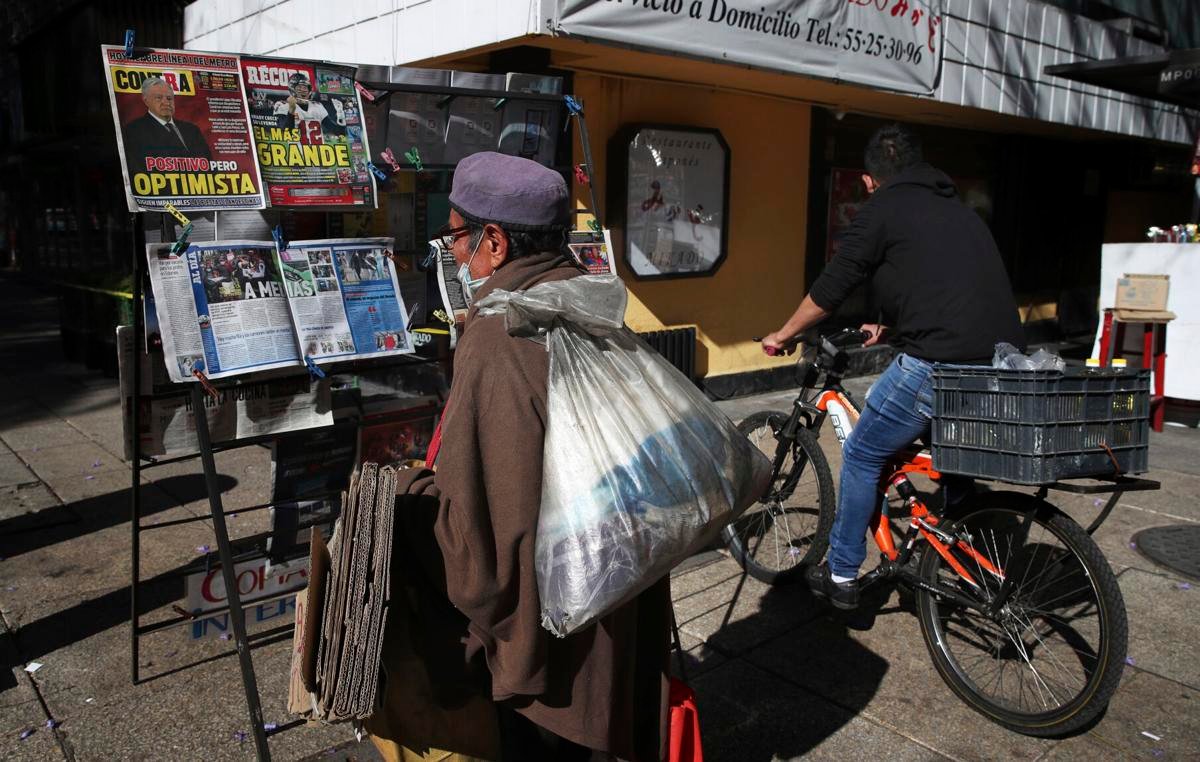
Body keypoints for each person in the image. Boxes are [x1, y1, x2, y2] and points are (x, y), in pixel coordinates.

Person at [372, 152, 670, 761]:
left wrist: (407, 496)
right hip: (617, 590)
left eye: (456, 236)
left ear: (496, 242)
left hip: (554, 627)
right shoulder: (591, 299)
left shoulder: (497, 333)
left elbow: (483, 528)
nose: (453, 254)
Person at [761, 124, 1025, 610]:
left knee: (863, 453)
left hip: (938, 363)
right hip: (999, 363)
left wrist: (783, 333)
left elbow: (831, 288)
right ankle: (961, 534)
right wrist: (890, 327)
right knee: (950, 452)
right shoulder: (959, 210)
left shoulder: (882, 208)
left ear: (869, 181)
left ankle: (840, 574)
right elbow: (941, 283)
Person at [122, 77, 211, 178]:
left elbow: (209, 165)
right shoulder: (133, 131)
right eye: (158, 98)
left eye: (169, 98)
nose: (166, 102)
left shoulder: (192, 130)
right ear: (146, 101)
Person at [274, 72, 346, 139]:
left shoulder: (318, 106)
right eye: (299, 87)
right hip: (297, 152)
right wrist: (291, 110)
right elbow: (284, 134)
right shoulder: (283, 106)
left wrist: (340, 114)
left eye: (305, 87)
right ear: (292, 89)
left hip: (319, 151)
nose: (303, 90)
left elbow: (339, 133)